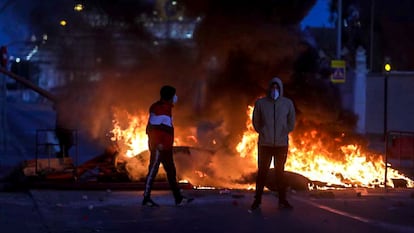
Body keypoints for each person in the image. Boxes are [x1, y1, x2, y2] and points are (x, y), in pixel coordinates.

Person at [142, 85, 194, 207]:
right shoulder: (160, 109)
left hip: (166, 147)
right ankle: (146, 198)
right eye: (174, 95)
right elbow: (152, 129)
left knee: (171, 172)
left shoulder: (165, 108)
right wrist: (158, 144)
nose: (176, 97)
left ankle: (178, 198)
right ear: (170, 97)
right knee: (152, 171)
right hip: (159, 148)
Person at [249, 77, 296, 211]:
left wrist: (285, 131)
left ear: (280, 89)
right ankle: (257, 201)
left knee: (280, 174)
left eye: (277, 88)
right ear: (269, 88)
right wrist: (262, 131)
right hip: (265, 144)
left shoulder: (287, 104)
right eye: (272, 87)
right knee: (262, 173)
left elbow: (291, 121)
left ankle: (282, 200)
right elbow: (255, 120)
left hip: (281, 145)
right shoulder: (261, 103)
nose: (274, 90)